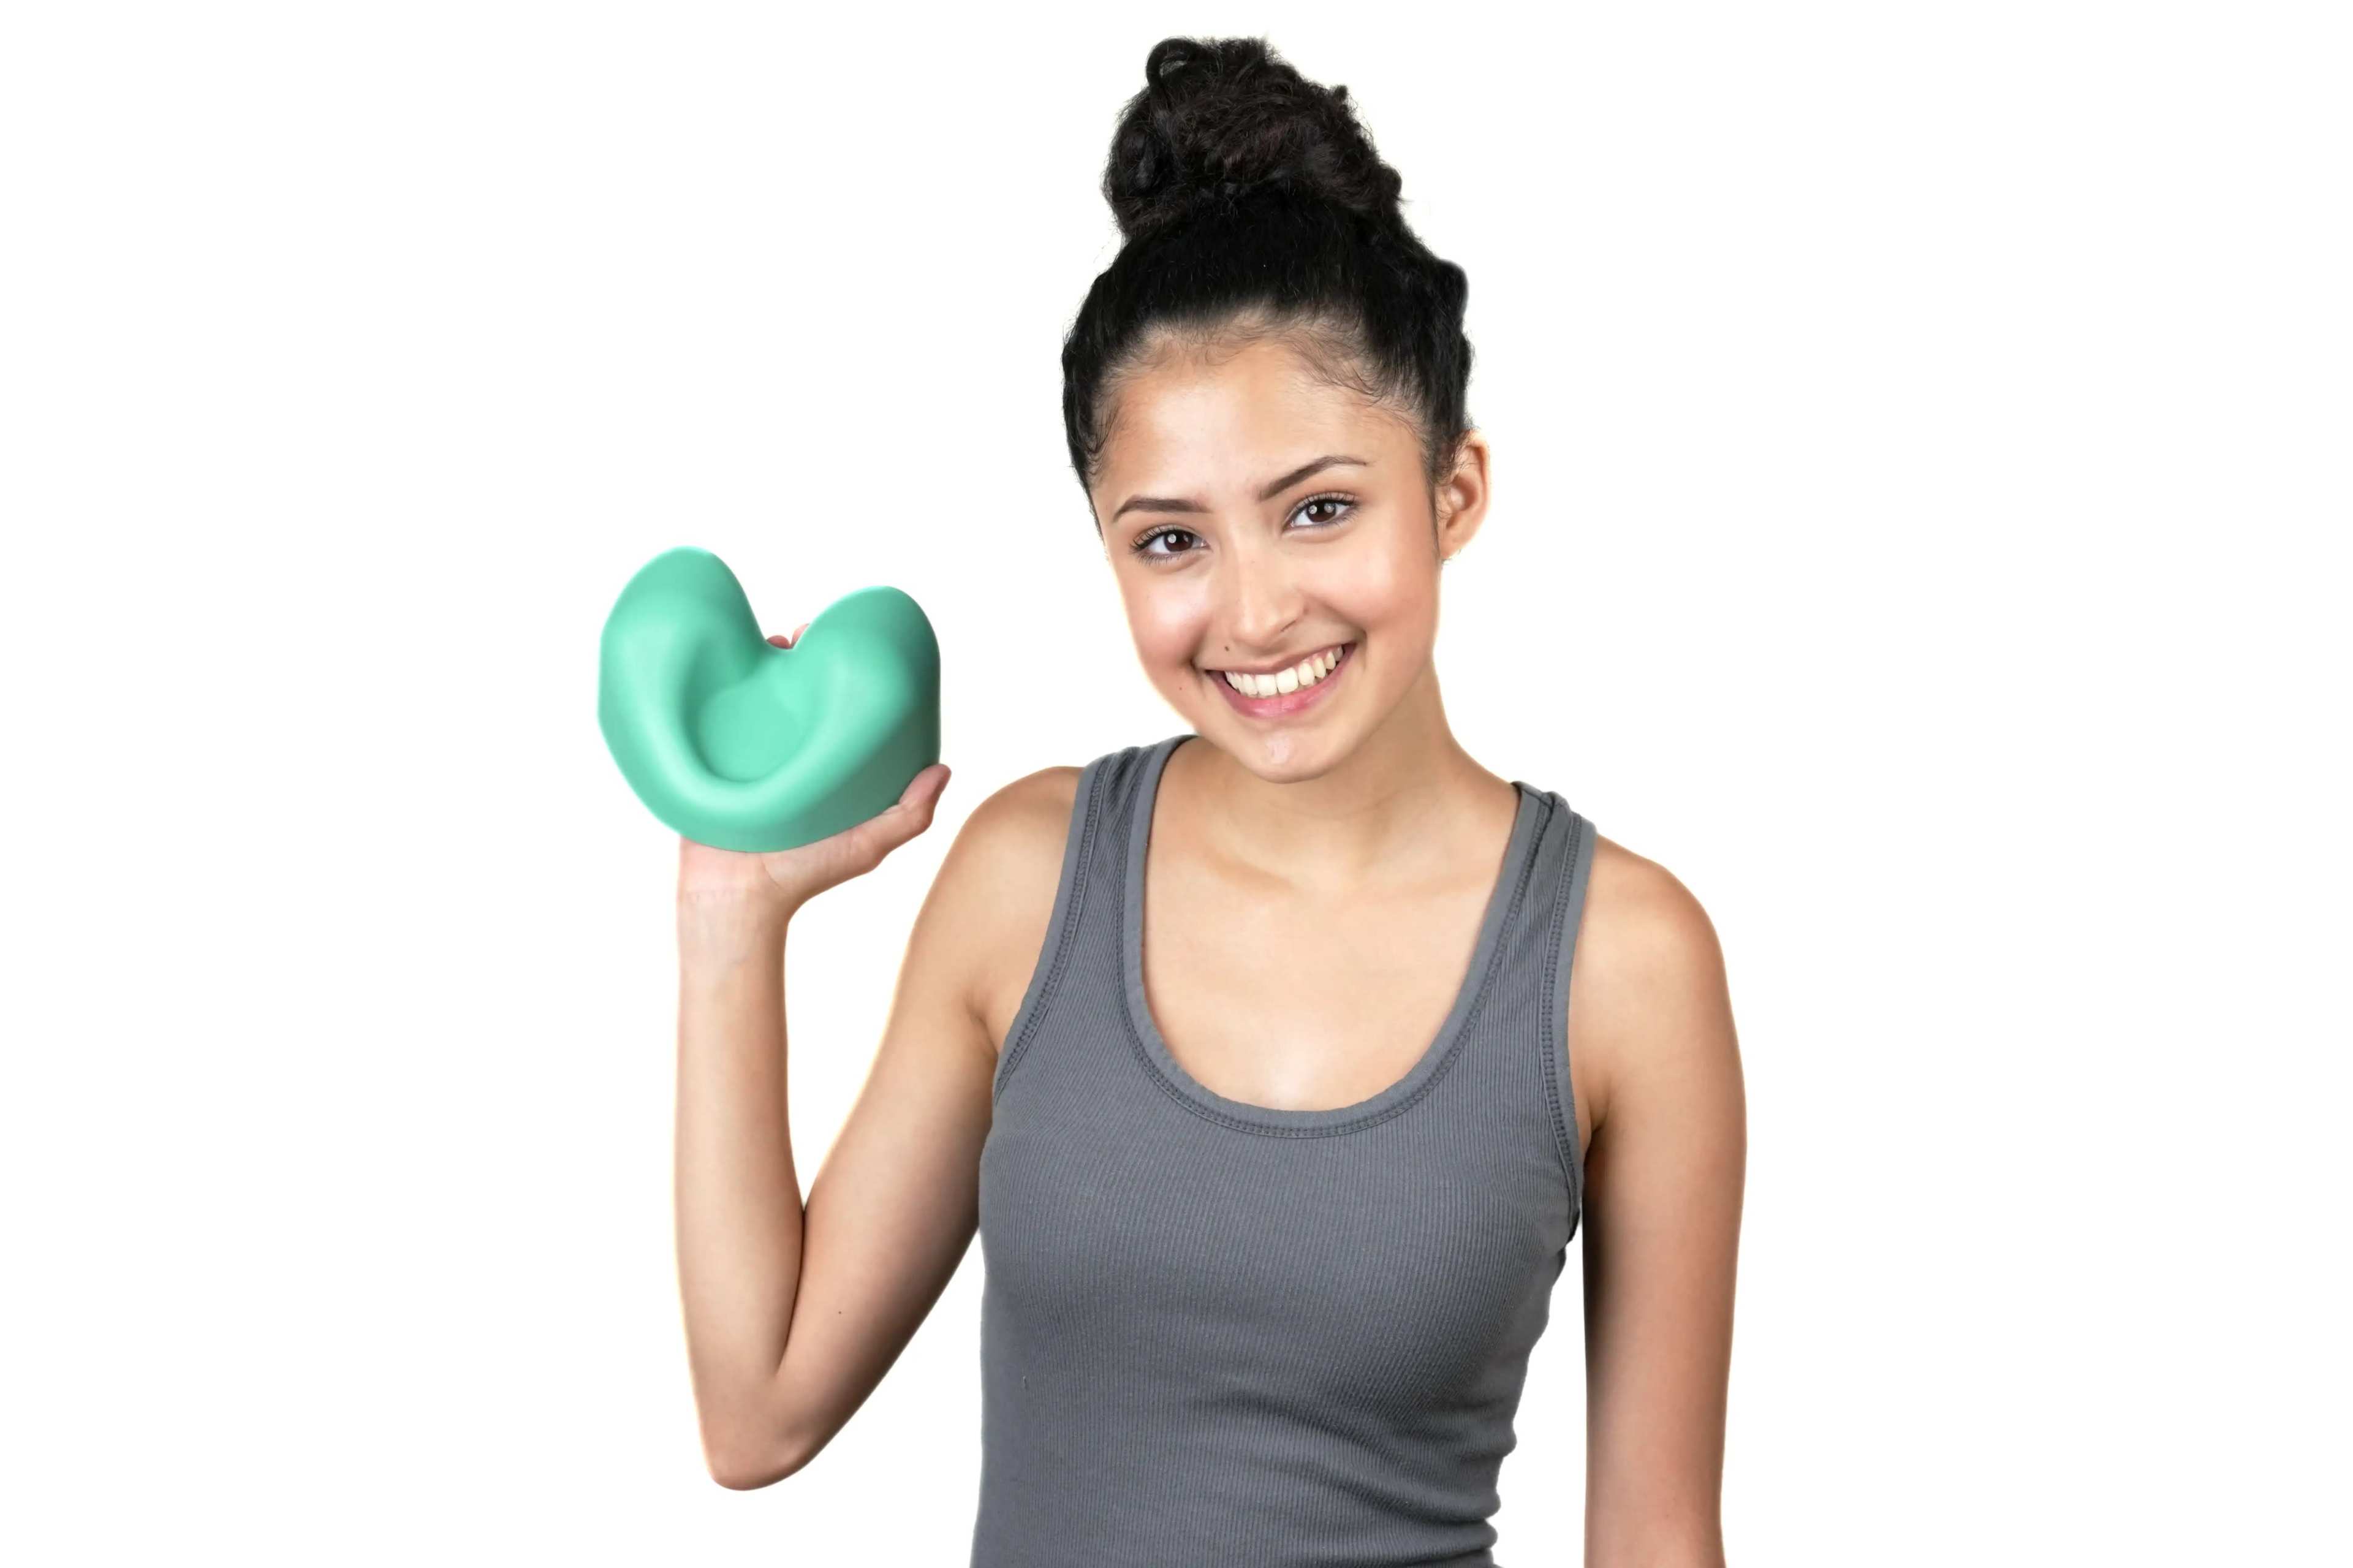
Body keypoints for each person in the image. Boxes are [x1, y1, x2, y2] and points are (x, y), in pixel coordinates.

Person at [670, 34, 1743, 1566]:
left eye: (1318, 509)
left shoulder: (1624, 961)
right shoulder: (1030, 880)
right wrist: (729, 914)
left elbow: (1652, 1535)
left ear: (1455, 491)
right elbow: (757, 1411)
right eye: (1171, 540)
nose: (1252, 613)